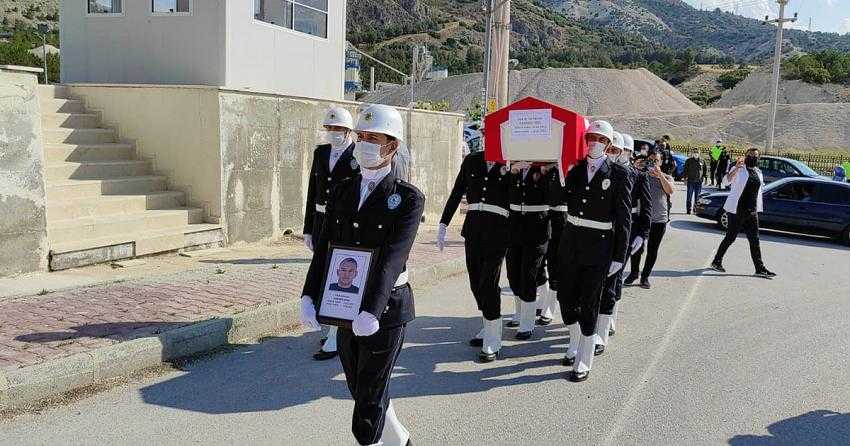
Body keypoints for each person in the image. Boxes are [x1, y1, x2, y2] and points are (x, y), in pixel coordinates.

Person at [300, 104, 425, 446]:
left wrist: (372, 308)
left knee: (368, 400)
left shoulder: (408, 199)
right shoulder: (341, 189)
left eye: (374, 138)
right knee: (362, 387)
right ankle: (401, 441)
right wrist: (309, 295)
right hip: (344, 307)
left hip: (385, 310)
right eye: (362, 136)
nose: (365, 143)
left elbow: (392, 259)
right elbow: (326, 250)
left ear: (392, 146)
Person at [558, 120, 631, 382]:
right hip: (571, 242)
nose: (595, 143)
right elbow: (561, 199)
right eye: (591, 138)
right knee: (566, 300)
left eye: (600, 139)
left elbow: (624, 219)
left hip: (599, 247)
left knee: (589, 303)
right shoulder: (576, 170)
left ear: (609, 145)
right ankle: (575, 341)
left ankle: (583, 359)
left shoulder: (620, 175)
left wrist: (619, 256)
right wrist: (559, 171)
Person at [437, 137, 510, 362]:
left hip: (498, 231)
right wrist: (443, 222)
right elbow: (458, 191)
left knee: (488, 283)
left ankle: (493, 339)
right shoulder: (472, 160)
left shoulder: (511, 163)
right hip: (474, 230)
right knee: (475, 282)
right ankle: (488, 323)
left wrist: (514, 172)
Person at [304, 106, 359, 361]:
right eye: (330, 128)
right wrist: (308, 228)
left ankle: (337, 337)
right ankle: (331, 329)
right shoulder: (321, 152)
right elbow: (312, 192)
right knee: (323, 276)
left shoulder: (357, 155)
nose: (333, 132)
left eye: (338, 128)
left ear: (348, 130)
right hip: (320, 222)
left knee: (338, 278)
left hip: (343, 224)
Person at [594, 132, 637, 356]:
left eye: (617, 151)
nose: (612, 154)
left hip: (621, 233)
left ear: (625, 152)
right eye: (610, 150)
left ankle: (606, 324)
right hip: (602, 234)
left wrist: (641, 234)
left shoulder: (632, 174)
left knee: (613, 284)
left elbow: (638, 210)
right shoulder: (600, 172)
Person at [711, 148, 776, 278]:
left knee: (755, 240)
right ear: (746, 156)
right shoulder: (739, 170)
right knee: (731, 237)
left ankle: (759, 268)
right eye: (751, 156)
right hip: (737, 210)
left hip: (752, 211)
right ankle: (717, 261)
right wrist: (735, 168)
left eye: (756, 156)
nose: (753, 158)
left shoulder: (758, 172)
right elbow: (725, 181)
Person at [505, 161, 550, 340]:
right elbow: (505, 193)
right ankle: (519, 312)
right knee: (513, 275)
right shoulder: (513, 166)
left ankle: (527, 322)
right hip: (515, 227)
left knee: (528, 276)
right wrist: (513, 172)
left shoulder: (546, 166)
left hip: (537, 228)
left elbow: (555, 196)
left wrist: (547, 173)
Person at [624, 151, 674, 289]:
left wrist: (660, 176)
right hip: (641, 218)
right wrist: (635, 167)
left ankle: (645, 276)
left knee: (653, 250)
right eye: (650, 160)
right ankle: (634, 273)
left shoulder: (667, 177)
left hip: (659, 220)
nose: (652, 163)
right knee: (637, 247)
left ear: (661, 162)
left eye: (655, 161)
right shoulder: (641, 175)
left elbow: (670, 190)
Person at [535, 163, 569, 326]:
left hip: (563, 219)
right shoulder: (547, 169)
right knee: (539, 262)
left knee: (555, 264)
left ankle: (550, 307)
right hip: (543, 216)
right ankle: (543, 298)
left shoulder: (573, 169)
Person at [683, 149, 706, 214]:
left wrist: (705, 178)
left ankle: (695, 210)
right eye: (695, 152)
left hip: (699, 182)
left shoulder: (702, 161)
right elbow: (685, 170)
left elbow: (704, 170)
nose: (696, 154)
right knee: (689, 196)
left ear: (699, 153)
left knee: (697, 197)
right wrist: (685, 179)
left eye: (697, 152)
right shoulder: (689, 161)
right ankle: (688, 210)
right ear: (693, 153)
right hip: (691, 181)